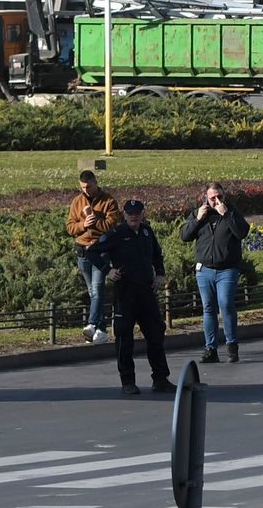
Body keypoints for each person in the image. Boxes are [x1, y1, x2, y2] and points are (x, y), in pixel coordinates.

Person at [89, 199, 173, 396]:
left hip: (146, 291)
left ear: (142, 214)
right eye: (130, 213)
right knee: (124, 337)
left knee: (156, 334)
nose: (134, 216)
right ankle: (127, 381)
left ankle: (160, 379)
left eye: (137, 213)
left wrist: (159, 273)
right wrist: (107, 270)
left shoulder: (146, 232)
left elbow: (157, 254)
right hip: (125, 293)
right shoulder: (117, 234)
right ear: (124, 215)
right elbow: (92, 252)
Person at [179, 181, 249, 364]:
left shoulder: (231, 212)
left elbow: (242, 232)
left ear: (224, 196)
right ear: (206, 198)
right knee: (208, 308)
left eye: (219, 196)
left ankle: (232, 345)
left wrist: (226, 215)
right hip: (205, 270)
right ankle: (210, 349)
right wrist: (197, 220)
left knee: (225, 303)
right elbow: (185, 236)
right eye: (212, 198)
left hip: (227, 269)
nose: (216, 200)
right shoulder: (199, 213)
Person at [66, 169, 122, 342]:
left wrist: (95, 221)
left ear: (95, 182)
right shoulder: (77, 201)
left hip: (101, 252)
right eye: (83, 187)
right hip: (83, 252)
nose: (86, 190)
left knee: (97, 288)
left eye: (89, 186)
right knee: (92, 292)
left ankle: (91, 324)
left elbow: (112, 225)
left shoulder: (109, 201)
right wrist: (83, 224)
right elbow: (70, 227)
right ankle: (102, 331)